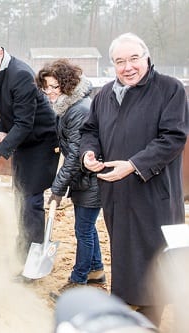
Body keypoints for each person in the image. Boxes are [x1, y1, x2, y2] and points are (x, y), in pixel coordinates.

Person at [80, 32, 189, 326]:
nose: (127, 67)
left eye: (133, 59)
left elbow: (174, 137)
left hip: (155, 192)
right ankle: (130, 305)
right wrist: (88, 154)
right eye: (119, 61)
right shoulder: (103, 95)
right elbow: (90, 131)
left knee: (156, 255)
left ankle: (151, 314)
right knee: (124, 252)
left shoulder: (169, 89)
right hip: (116, 192)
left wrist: (133, 164)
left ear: (147, 57)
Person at [0, 37, 59, 269]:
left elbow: (24, 123)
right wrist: (2, 132)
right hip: (23, 141)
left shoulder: (20, 74)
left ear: (0, 53)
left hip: (41, 142)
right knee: (19, 196)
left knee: (31, 200)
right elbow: (6, 109)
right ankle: (22, 247)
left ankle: (33, 254)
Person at [35, 59, 105, 294]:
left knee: (83, 230)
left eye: (55, 87)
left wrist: (57, 190)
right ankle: (96, 270)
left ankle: (78, 279)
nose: (50, 93)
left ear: (67, 84)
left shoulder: (79, 111)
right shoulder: (68, 107)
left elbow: (75, 156)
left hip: (91, 180)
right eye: (46, 88)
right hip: (83, 181)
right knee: (87, 227)